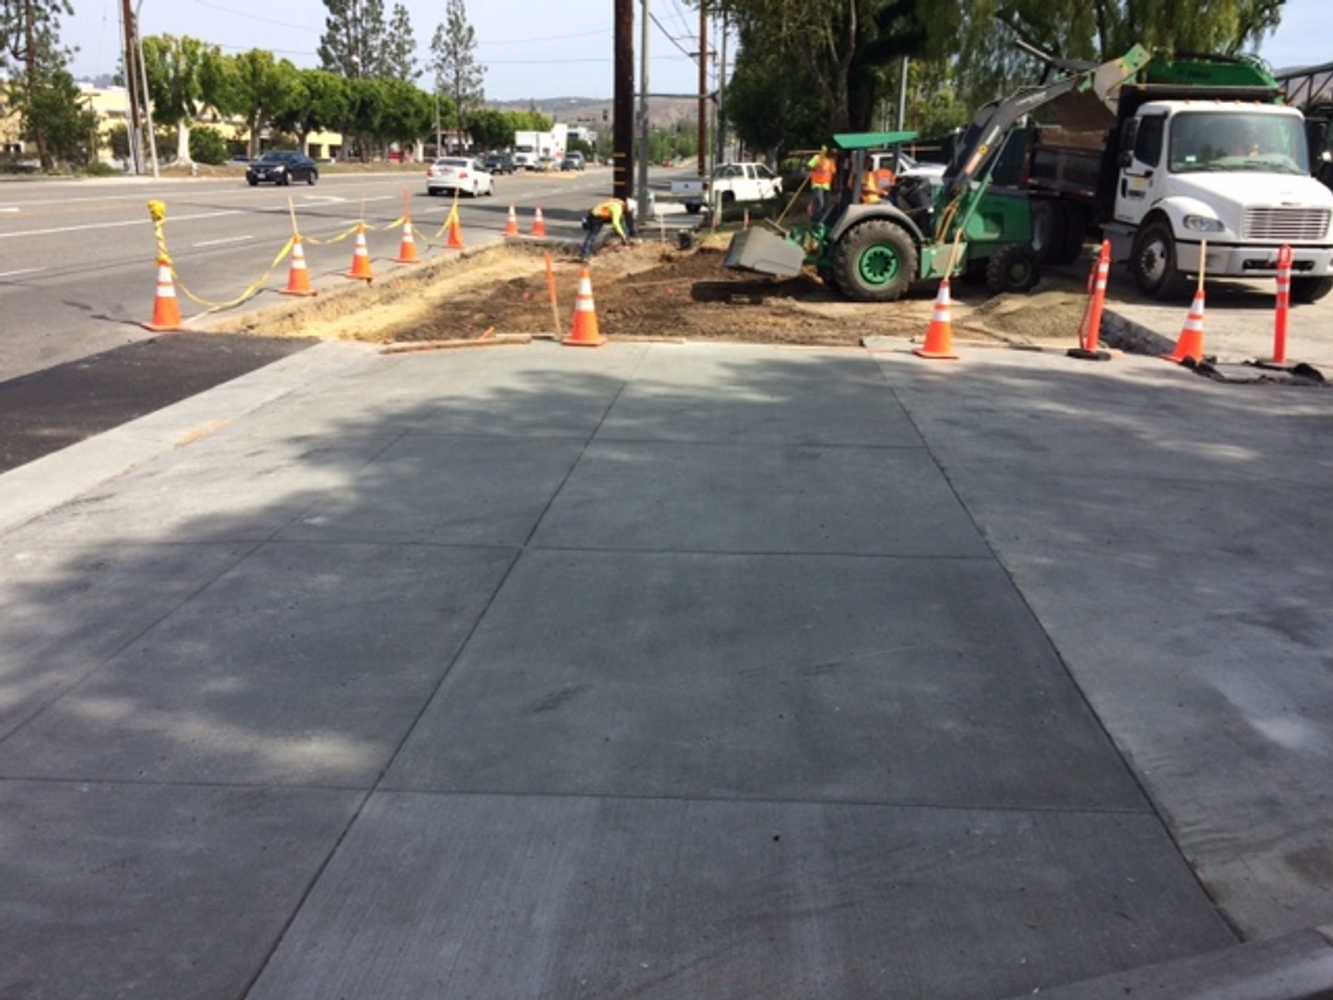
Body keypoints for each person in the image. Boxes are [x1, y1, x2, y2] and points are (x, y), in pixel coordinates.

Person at [580, 197, 632, 261]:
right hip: (597, 216)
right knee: (592, 235)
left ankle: (625, 240)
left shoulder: (619, 202)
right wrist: (622, 234)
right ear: (627, 208)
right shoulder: (618, 209)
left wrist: (623, 234)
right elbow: (615, 223)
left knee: (621, 220)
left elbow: (620, 220)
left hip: (598, 212)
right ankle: (584, 255)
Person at [806, 145, 837, 222]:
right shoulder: (817, 158)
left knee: (826, 205)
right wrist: (816, 166)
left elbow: (833, 172)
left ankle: (822, 220)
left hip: (826, 185)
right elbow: (809, 166)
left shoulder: (831, 161)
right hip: (817, 184)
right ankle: (816, 220)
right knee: (820, 203)